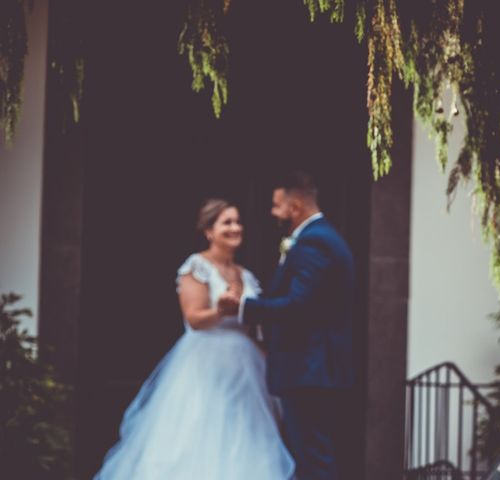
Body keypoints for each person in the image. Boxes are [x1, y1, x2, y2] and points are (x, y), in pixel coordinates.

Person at [93, 199, 295, 479]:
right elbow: (194, 318)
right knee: (200, 429)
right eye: (227, 222)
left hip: (247, 368)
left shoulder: (245, 275)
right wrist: (221, 310)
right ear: (209, 230)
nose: (235, 228)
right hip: (205, 361)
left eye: (237, 221)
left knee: (246, 432)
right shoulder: (197, 266)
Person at [219, 171, 355, 480]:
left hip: (309, 367)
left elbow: (299, 306)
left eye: (276, 205)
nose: (272, 212)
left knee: (313, 456)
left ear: (295, 206)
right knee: (307, 453)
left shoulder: (315, 242)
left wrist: (244, 307)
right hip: (310, 367)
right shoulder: (317, 238)